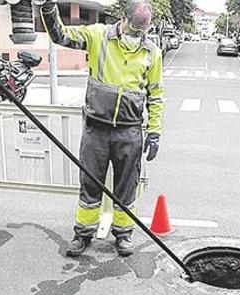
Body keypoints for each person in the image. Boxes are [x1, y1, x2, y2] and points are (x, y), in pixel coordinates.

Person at [38, 0, 164, 257]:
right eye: (136, 30)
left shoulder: (152, 52)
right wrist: (48, 7)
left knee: (126, 187)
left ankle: (124, 235)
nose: (138, 36)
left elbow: (156, 94)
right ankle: (83, 233)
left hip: (129, 132)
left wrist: (154, 132)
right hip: (96, 128)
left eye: (143, 32)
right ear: (124, 19)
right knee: (90, 184)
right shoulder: (98, 35)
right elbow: (60, 35)